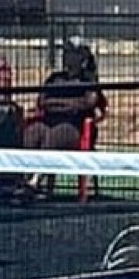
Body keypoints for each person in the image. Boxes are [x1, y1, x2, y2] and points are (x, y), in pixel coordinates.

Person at [22, 40, 106, 193]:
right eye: (66, 52)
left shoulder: (88, 80)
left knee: (55, 135)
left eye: (71, 53)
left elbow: (89, 103)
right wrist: (67, 105)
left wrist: (57, 104)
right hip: (49, 121)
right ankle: (22, 180)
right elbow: (42, 101)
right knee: (32, 132)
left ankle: (35, 181)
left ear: (81, 57)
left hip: (76, 127)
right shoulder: (55, 78)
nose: (66, 56)